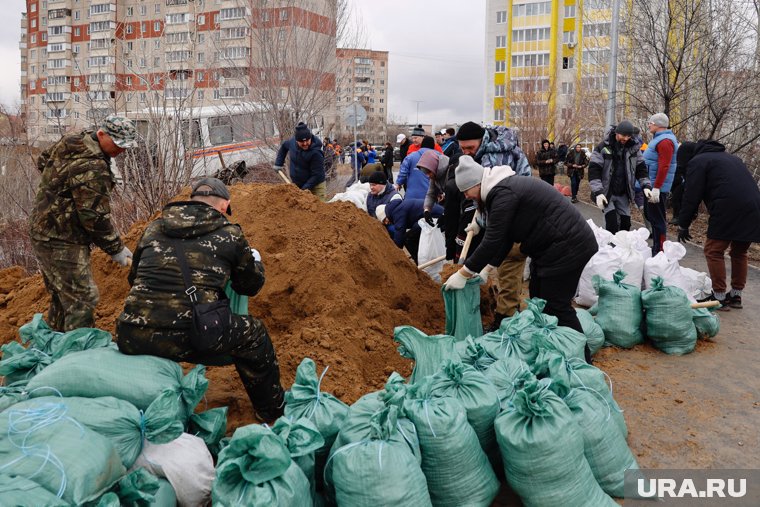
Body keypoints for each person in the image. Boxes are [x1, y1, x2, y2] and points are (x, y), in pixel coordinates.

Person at [116, 178, 285, 421]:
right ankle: (272, 411)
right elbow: (250, 286)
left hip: (133, 333)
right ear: (224, 206)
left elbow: (134, 279)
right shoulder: (229, 234)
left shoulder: (153, 229)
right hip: (194, 335)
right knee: (255, 334)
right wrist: (254, 263)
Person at [443, 156, 598, 361]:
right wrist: (488, 267)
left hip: (568, 247)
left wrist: (465, 272)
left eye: (467, 192)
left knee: (555, 305)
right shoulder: (501, 190)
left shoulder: (503, 193)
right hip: (551, 248)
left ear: (476, 184)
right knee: (538, 299)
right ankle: (551, 346)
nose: (467, 196)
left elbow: (493, 239)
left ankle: (582, 359)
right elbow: (507, 237)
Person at [30, 114, 137, 331]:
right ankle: (78, 353)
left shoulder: (73, 140)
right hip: (62, 238)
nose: (121, 150)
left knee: (63, 298)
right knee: (82, 297)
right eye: (117, 144)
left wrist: (59, 191)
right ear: (101, 134)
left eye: (125, 146)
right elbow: (94, 218)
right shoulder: (93, 167)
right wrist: (116, 249)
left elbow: (43, 161)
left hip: (43, 229)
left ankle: (57, 349)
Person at [455, 120, 531, 328]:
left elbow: (493, 197)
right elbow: (484, 197)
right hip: (506, 212)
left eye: (470, 147)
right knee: (507, 267)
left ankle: (506, 319)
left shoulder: (497, 157)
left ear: (483, 140)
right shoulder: (479, 154)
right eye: (463, 148)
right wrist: (479, 222)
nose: (467, 152)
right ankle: (509, 313)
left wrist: (469, 271)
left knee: (509, 264)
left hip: (517, 215)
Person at [677, 140, 760, 310]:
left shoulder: (698, 162)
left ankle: (719, 296)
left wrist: (683, 224)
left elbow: (691, 195)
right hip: (754, 206)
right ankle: (736, 296)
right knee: (739, 251)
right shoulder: (732, 158)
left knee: (713, 250)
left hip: (728, 207)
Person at [588, 120, 653, 233]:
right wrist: (598, 192)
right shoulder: (603, 147)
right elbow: (594, 171)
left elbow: (641, 169)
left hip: (623, 193)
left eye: (628, 136)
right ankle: (611, 247)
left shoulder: (634, 149)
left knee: (625, 224)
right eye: (623, 135)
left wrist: (646, 185)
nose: (626, 138)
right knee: (611, 223)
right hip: (607, 192)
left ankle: (621, 248)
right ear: (617, 133)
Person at [642, 113, 679, 254]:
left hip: (657, 188)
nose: (649, 125)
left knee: (657, 220)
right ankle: (657, 246)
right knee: (652, 216)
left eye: (650, 123)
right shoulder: (659, 139)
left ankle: (660, 249)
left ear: (658, 124)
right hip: (652, 186)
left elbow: (664, 166)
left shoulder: (665, 142)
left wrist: (657, 187)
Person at [376, 197, 443, 263]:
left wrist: (395, 252)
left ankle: (422, 264)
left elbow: (400, 232)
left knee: (408, 239)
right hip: (436, 216)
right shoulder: (398, 207)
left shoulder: (397, 212)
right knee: (413, 236)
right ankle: (425, 259)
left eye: (385, 220)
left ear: (386, 214)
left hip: (435, 218)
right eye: (384, 222)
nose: (387, 223)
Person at [274, 122, 326, 201]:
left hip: (316, 186)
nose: (305, 144)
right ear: (296, 141)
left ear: (310, 138)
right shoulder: (292, 143)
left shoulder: (316, 153)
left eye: (307, 141)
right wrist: (278, 163)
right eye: (302, 142)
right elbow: (284, 146)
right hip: (298, 185)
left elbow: (316, 175)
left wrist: (303, 190)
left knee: (319, 211)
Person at [419, 149, 450, 226]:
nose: (428, 175)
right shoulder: (434, 175)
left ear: (434, 166)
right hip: (449, 206)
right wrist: (427, 210)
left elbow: (454, 197)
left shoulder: (449, 172)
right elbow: (431, 193)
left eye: (428, 172)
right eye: (425, 173)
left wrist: (445, 213)